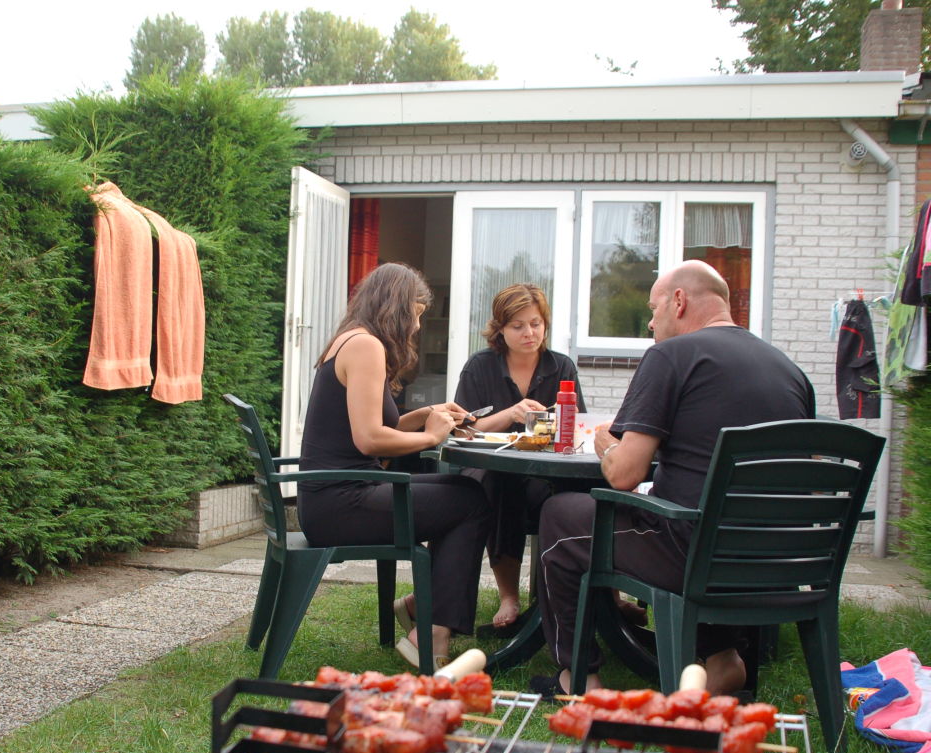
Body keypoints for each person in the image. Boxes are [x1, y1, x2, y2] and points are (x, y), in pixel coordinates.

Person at [534, 260, 815, 696]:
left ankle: (579, 676)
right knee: (694, 509)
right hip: (779, 562)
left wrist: (607, 443)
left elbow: (625, 475)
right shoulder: (788, 370)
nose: (650, 321)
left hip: (694, 555)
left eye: (653, 307)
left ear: (679, 302)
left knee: (560, 514)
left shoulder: (672, 356)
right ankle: (722, 658)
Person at [297, 262, 491, 669]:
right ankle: (431, 631)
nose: (417, 327)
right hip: (340, 503)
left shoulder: (352, 340)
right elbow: (369, 440)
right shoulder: (366, 346)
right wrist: (432, 437)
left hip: (333, 495)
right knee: (471, 502)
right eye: (417, 315)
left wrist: (426, 415)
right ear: (398, 308)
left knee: (468, 493)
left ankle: (424, 606)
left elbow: (375, 429)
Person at [453, 283, 586, 630]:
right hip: (489, 474)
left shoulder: (561, 367)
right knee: (499, 484)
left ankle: (579, 599)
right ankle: (509, 595)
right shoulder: (479, 367)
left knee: (574, 494)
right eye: (518, 326)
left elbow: (577, 427)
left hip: (545, 473)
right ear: (499, 329)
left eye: (536, 324)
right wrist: (511, 413)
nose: (530, 333)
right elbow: (463, 428)